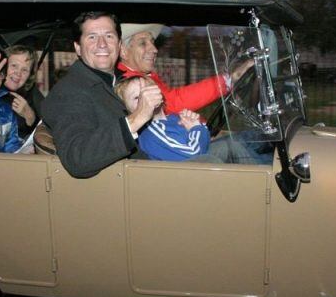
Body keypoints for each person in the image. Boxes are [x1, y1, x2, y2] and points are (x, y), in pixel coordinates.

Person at [41, 11, 163, 178]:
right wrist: (136, 119)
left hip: (155, 166)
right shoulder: (69, 92)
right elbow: (77, 158)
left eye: (109, 36)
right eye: (92, 37)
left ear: (119, 45)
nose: (102, 44)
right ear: (78, 48)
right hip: (134, 184)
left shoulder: (119, 83)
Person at [116, 76, 258, 164]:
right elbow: (193, 153)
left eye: (148, 90)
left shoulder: (173, 118)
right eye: (136, 98)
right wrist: (195, 128)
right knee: (210, 161)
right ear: (130, 112)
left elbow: (204, 139)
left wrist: (198, 127)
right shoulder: (151, 132)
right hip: (178, 180)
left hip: (192, 166)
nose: (146, 97)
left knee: (231, 145)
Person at [116, 23, 253, 114]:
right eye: (142, 43)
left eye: (152, 42)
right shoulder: (132, 83)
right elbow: (173, 103)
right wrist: (228, 80)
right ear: (123, 51)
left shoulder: (144, 75)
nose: (154, 49)